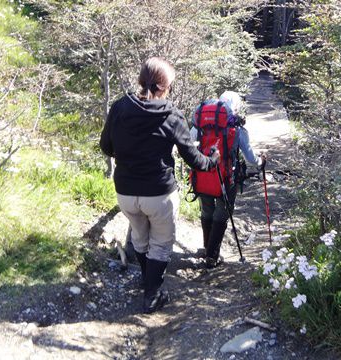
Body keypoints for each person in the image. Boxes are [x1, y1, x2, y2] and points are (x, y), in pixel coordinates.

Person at [100, 57, 219, 314]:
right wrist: (214, 161)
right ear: (165, 86)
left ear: (141, 79)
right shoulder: (172, 115)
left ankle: (148, 280)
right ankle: (152, 295)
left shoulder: (120, 107)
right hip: (159, 193)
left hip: (126, 192)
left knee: (140, 240)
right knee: (161, 244)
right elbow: (195, 160)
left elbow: (106, 147)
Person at [190, 91, 266, 268]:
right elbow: (250, 158)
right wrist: (261, 161)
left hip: (202, 174)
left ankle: (206, 248)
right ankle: (212, 255)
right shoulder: (236, 128)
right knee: (222, 213)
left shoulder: (199, 125)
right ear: (235, 106)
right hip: (226, 177)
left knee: (207, 210)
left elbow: (189, 146)